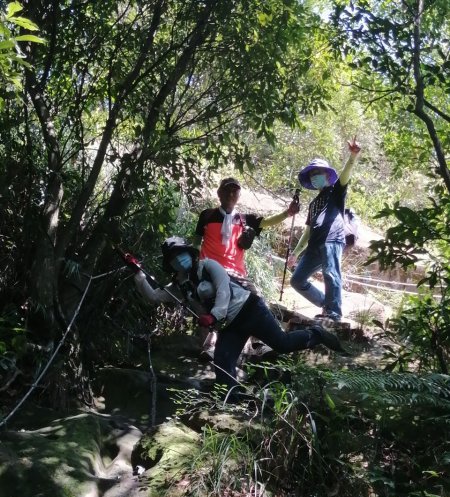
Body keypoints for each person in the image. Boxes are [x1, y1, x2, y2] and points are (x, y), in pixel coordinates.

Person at [126, 237, 348, 397]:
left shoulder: (209, 266)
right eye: (173, 259)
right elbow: (154, 296)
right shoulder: (180, 285)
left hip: (250, 310)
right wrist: (138, 274)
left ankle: (315, 333)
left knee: (282, 343)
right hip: (230, 326)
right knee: (222, 363)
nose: (178, 260)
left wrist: (213, 316)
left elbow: (224, 291)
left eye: (180, 254)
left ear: (189, 253)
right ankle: (233, 400)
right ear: (170, 264)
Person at [194, 177, 300, 357]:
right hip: (210, 270)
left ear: (239, 195)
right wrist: (196, 266)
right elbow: (196, 243)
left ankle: (258, 344)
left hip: (237, 274)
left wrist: (287, 213)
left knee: (256, 300)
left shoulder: (243, 219)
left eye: (234, 191)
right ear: (219, 193)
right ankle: (210, 346)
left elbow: (266, 222)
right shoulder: (207, 215)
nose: (230, 194)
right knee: (212, 303)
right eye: (227, 190)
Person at [288, 138, 361, 322]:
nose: (315, 177)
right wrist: (296, 253)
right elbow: (307, 231)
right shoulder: (313, 204)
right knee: (297, 280)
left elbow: (345, 176)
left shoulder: (335, 191)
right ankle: (326, 304)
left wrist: (352, 156)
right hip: (314, 245)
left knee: (331, 273)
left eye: (318, 173)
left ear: (327, 175)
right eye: (312, 174)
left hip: (332, 239)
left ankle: (334, 313)